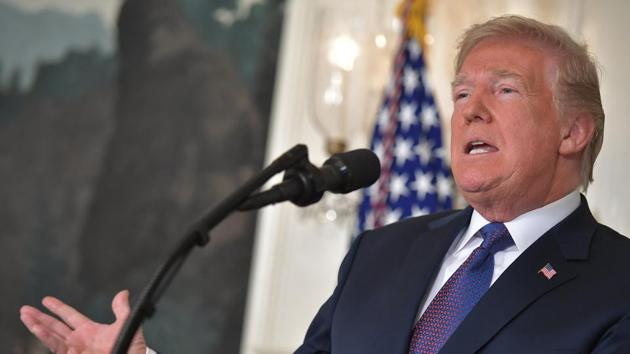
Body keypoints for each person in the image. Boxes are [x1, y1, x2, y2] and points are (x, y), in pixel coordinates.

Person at [19, 15, 630, 354]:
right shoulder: (382, 253)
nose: (469, 110)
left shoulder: (618, 286)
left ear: (573, 131)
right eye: (462, 93)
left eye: (503, 89)